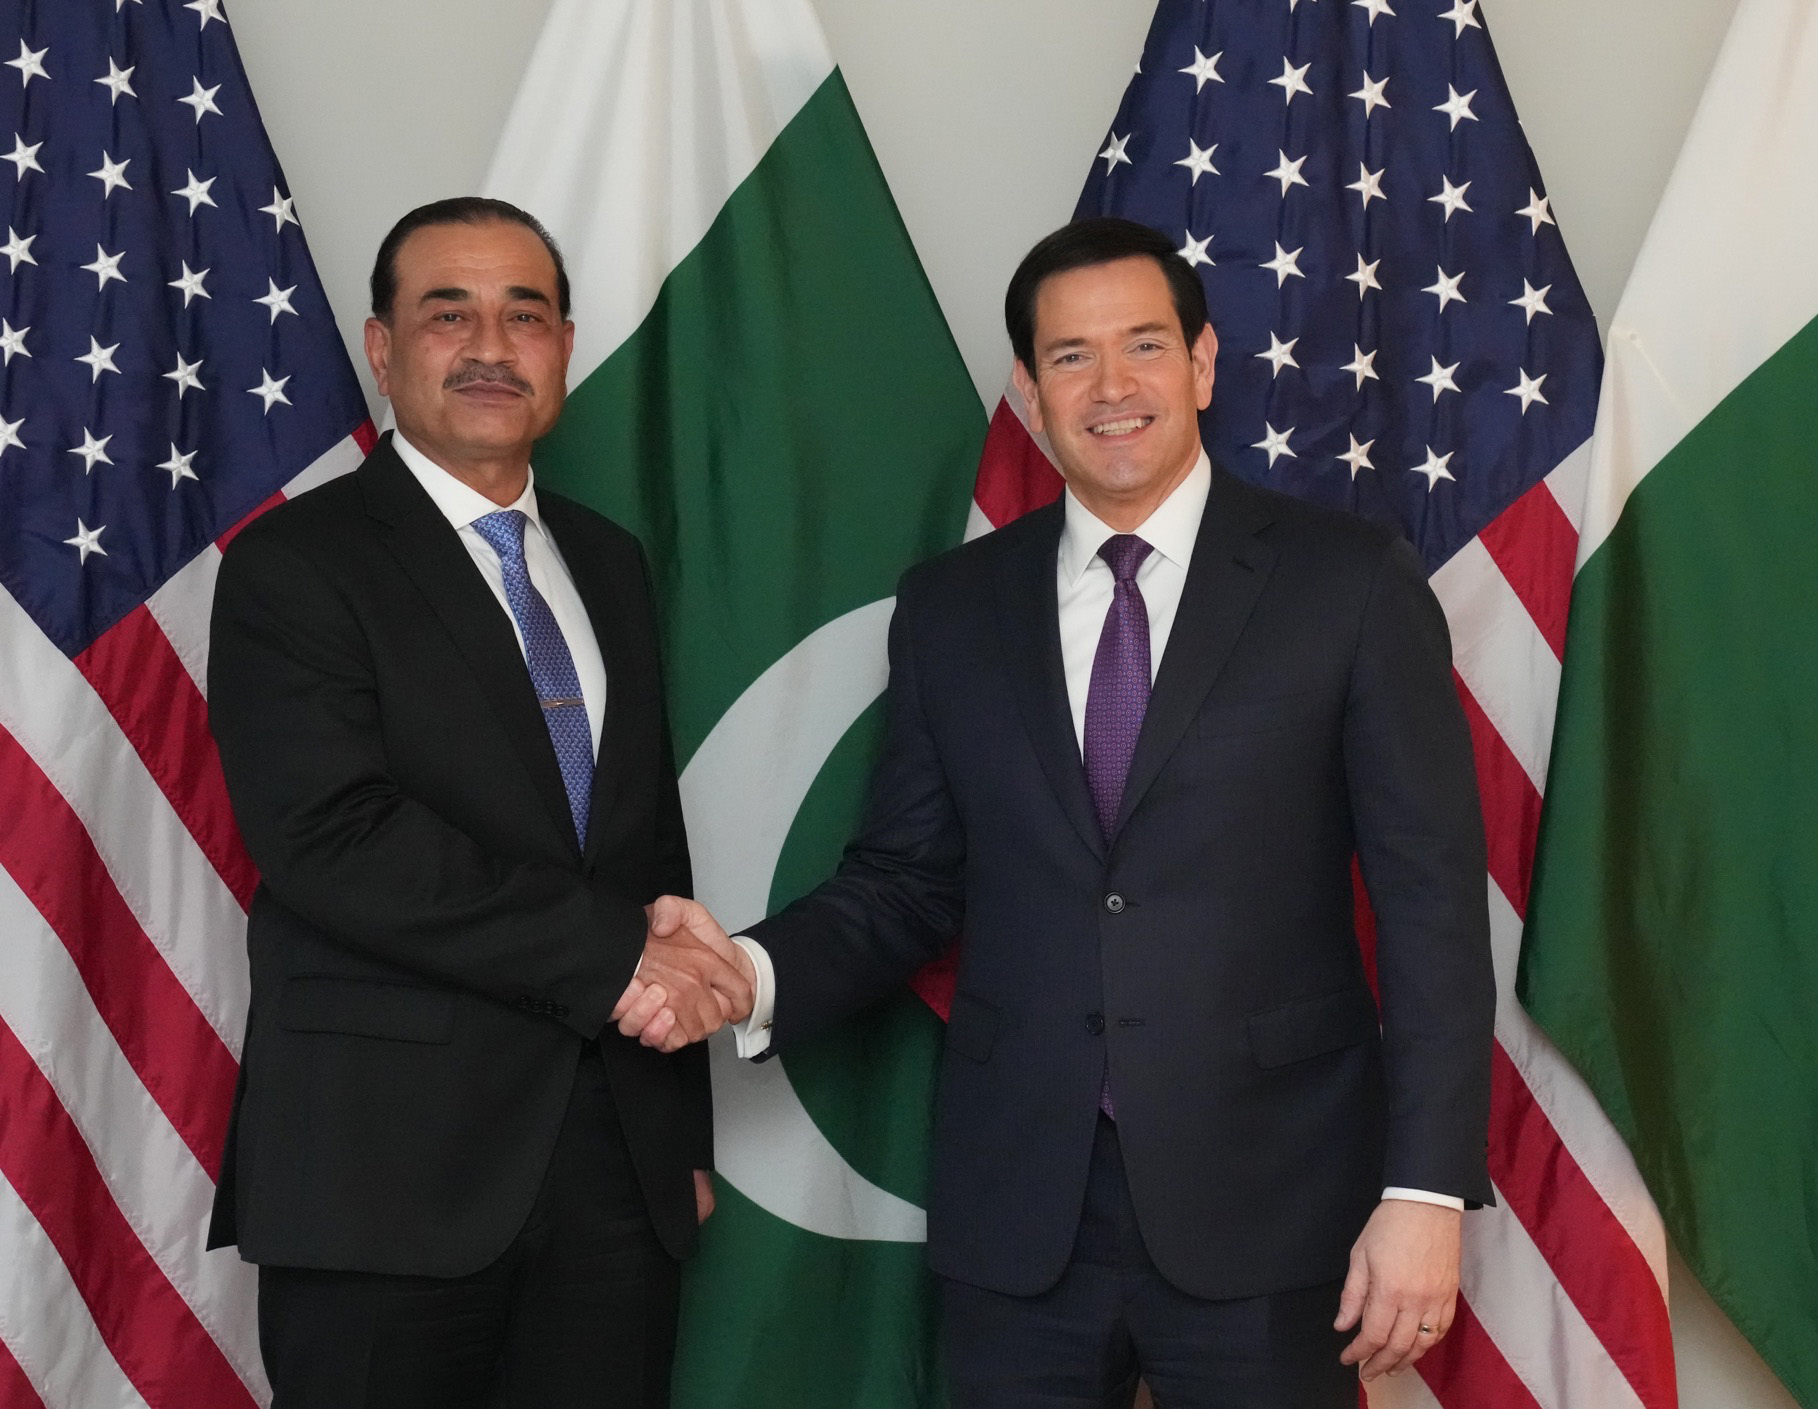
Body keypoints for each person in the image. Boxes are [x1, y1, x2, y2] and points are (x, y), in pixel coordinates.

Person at [623, 217, 1496, 1406]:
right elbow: (907, 879)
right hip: (1021, 1212)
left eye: (1144, 344)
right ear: (1030, 393)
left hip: (1274, 1201)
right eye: (1072, 357)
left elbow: (1432, 901)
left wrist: (1427, 1189)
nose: (1114, 385)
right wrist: (752, 972)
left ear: (1203, 361)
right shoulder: (953, 605)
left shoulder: (1346, 581)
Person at [206, 197, 751, 1409]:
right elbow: (333, 841)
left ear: (565, 347)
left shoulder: (607, 561)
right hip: (383, 1175)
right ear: (382, 348)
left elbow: (643, 850)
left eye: (527, 315)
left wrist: (676, 1140)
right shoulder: (295, 561)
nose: (491, 346)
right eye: (448, 313)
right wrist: (621, 958)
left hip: (615, 1170)